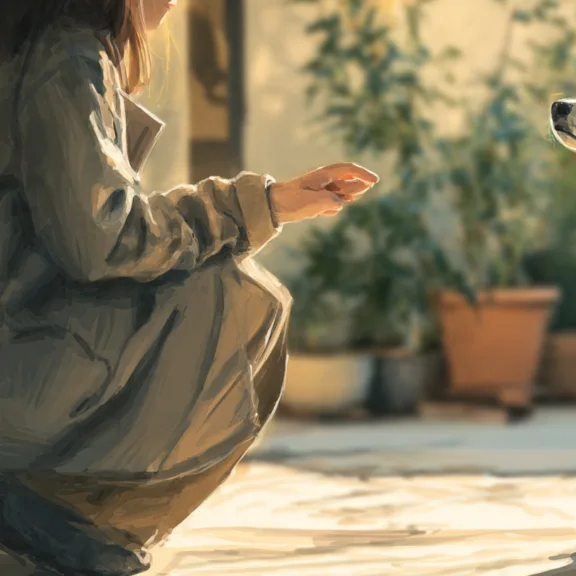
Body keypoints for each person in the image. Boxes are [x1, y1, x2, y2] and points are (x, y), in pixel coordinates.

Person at [0, 1, 378, 574]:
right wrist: (254, 206)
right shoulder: (66, 55)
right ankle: (55, 517)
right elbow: (103, 238)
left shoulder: (50, 47)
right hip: (18, 368)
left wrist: (267, 202)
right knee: (237, 298)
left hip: (22, 345)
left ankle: (50, 517)